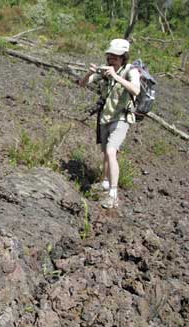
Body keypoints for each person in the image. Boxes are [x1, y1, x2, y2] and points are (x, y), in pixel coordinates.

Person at [79, 38, 140, 209]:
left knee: (112, 151)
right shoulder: (105, 71)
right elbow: (82, 84)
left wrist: (115, 76)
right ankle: (105, 182)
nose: (111, 59)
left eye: (115, 56)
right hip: (105, 117)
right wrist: (89, 73)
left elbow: (136, 90)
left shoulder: (131, 71)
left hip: (121, 118)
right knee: (106, 152)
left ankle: (113, 194)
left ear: (123, 57)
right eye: (110, 56)